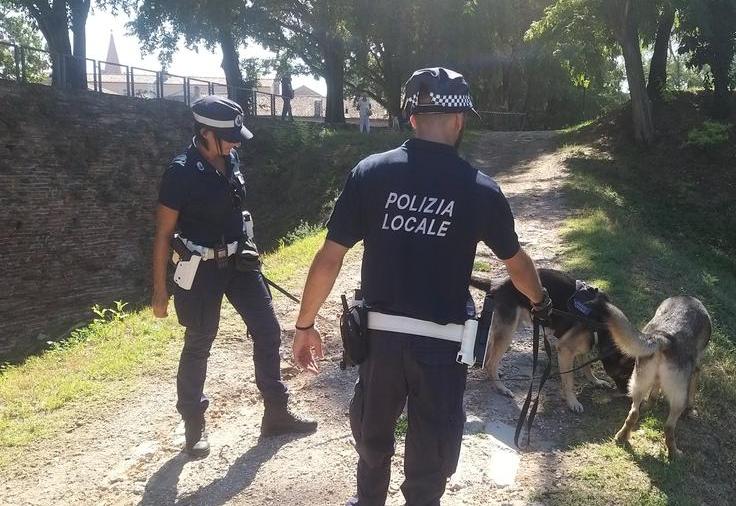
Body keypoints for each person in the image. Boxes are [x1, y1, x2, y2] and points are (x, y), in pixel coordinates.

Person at [291, 68, 551, 506]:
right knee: (430, 463)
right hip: (443, 348)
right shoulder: (481, 191)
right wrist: (541, 301)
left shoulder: (369, 174)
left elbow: (328, 257)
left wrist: (304, 324)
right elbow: (517, 265)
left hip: (380, 343)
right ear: (460, 120)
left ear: (411, 117)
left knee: (372, 447)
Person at [152, 96, 317, 458]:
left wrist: (248, 244)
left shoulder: (231, 158)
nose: (237, 142)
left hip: (240, 264)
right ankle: (193, 427)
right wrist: (159, 290)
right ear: (205, 133)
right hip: (201, 269)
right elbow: (164, 233)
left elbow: (235, 206)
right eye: (229, 136)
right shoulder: (180, 172)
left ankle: (276, 413)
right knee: (200, 341)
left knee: (268, 330)